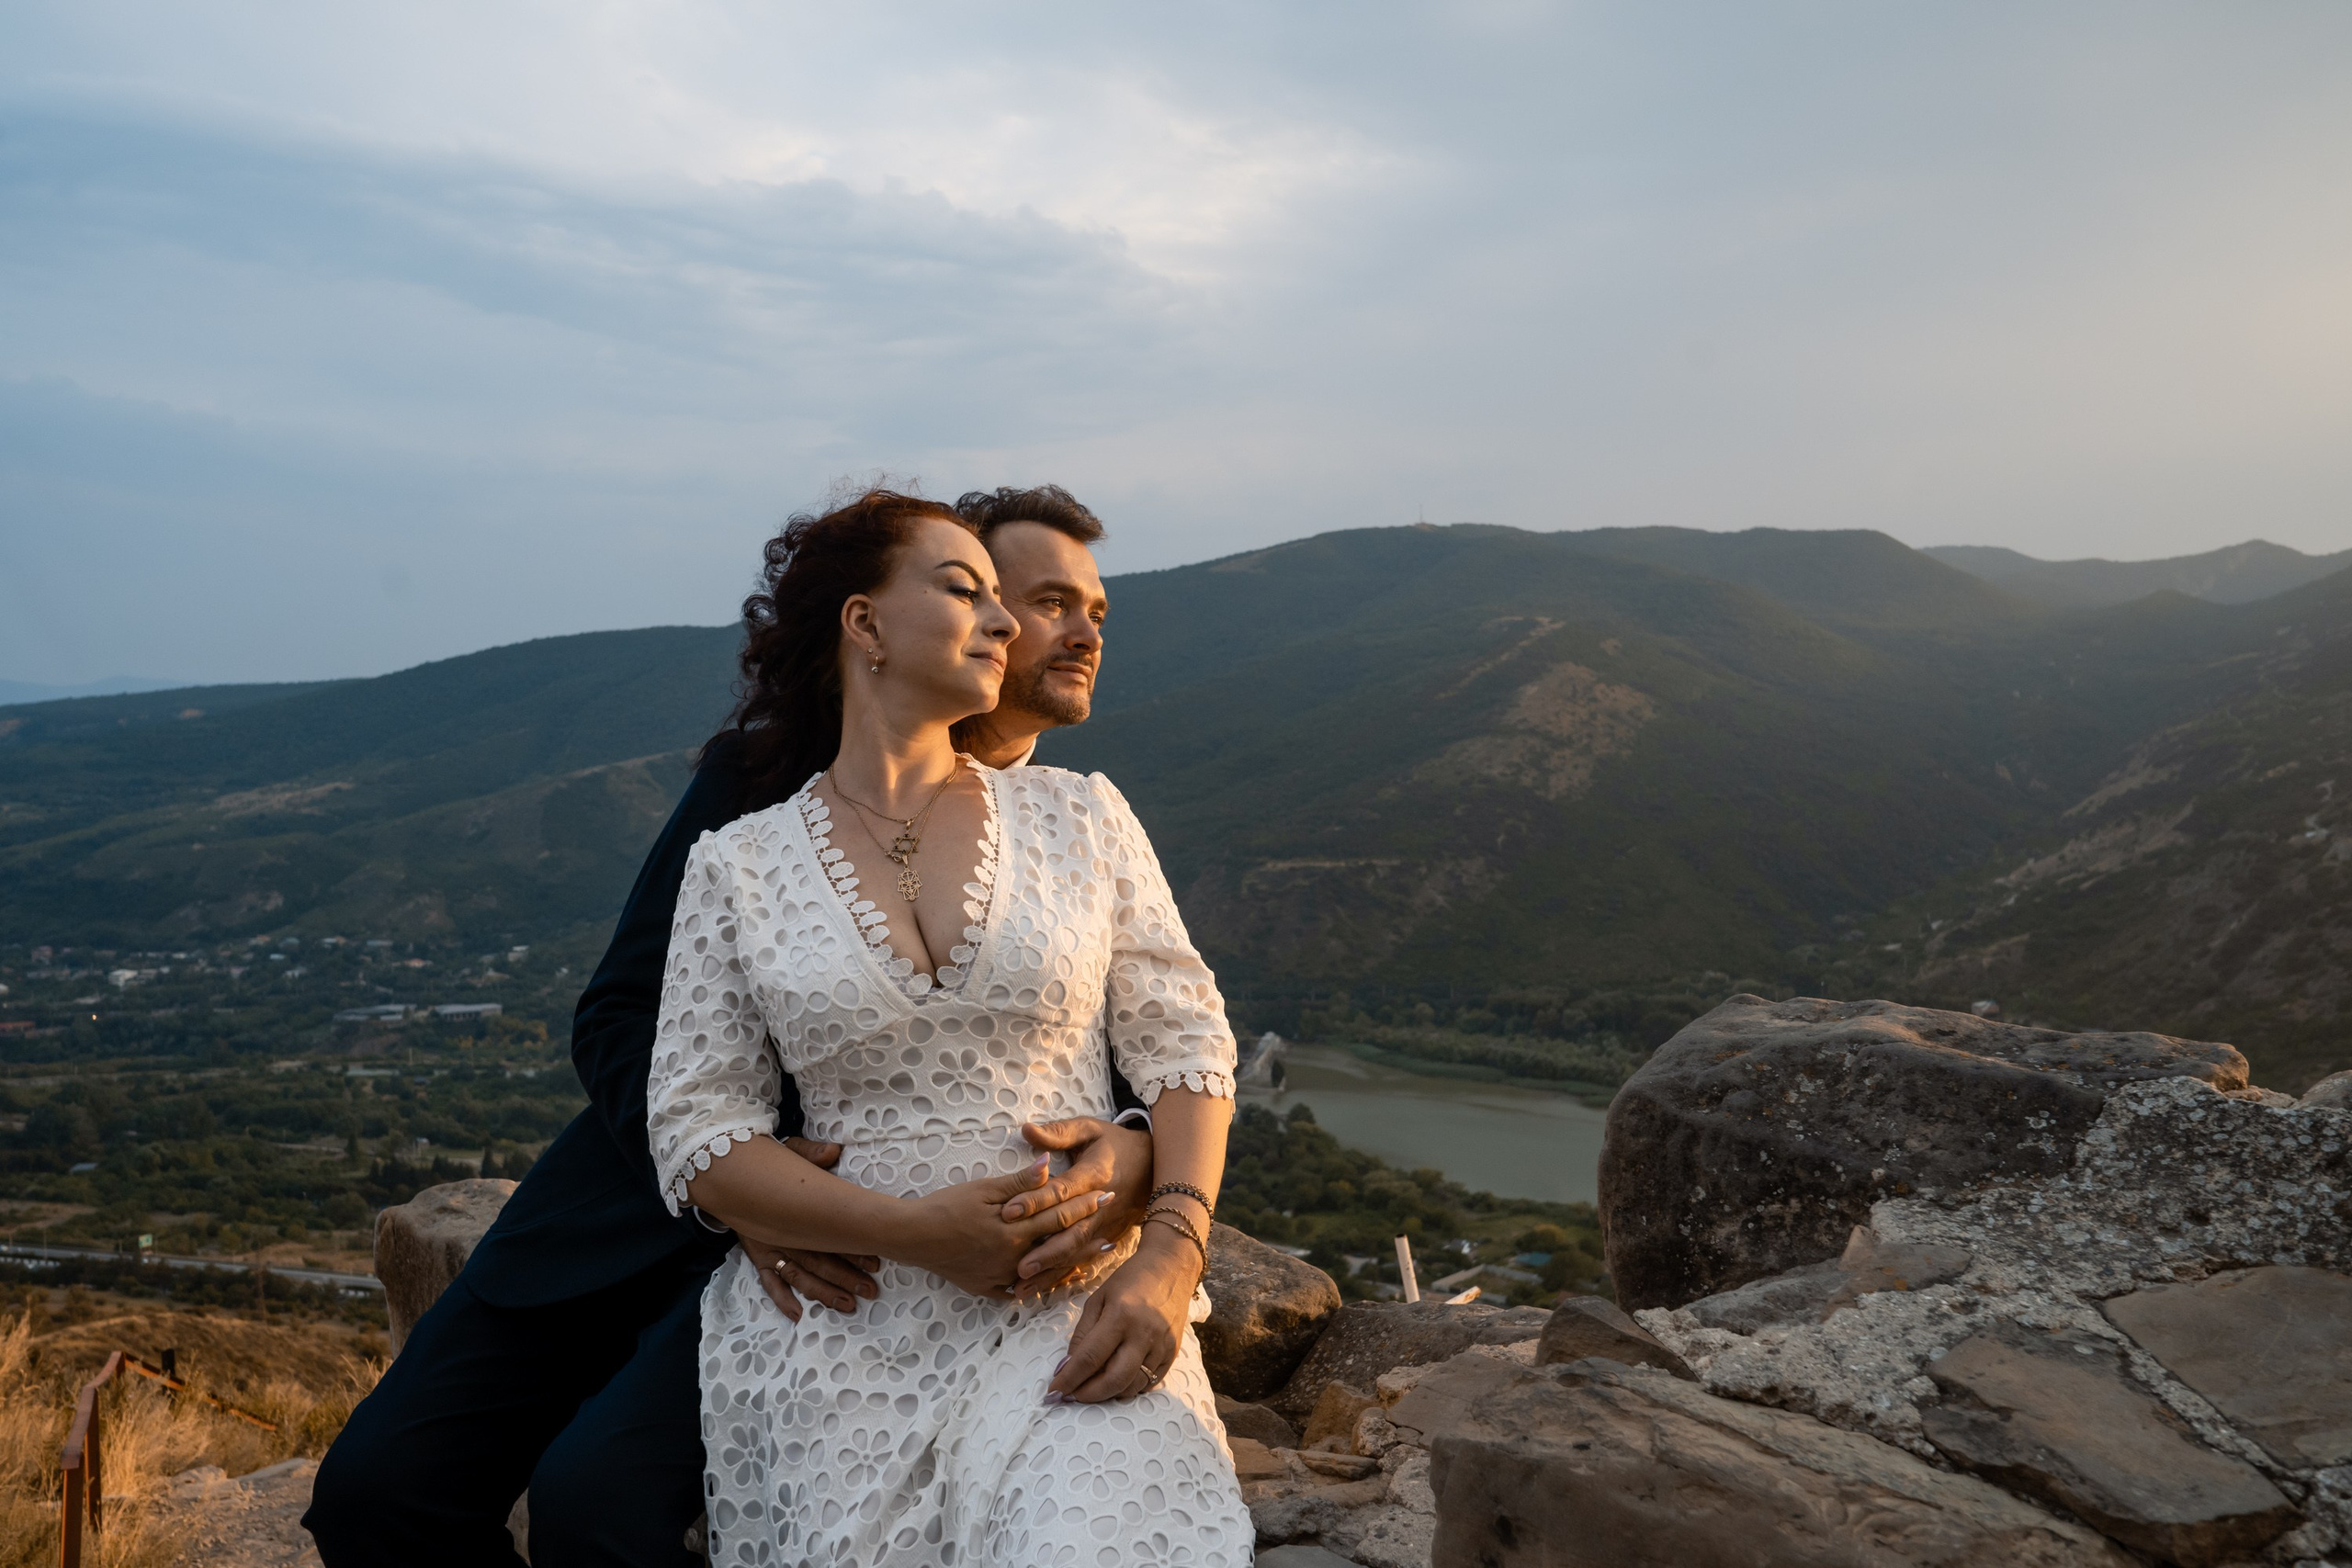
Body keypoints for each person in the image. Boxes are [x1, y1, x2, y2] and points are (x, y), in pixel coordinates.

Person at [307, 485, 1153, 1567]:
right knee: (377, 1497)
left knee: (600, 1508)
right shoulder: (762, 782)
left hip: (853, 1286)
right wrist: (729, 1177)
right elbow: (618, 1012)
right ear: (887, 623)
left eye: (1087, 608)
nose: (1063, 629)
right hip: (625, 1217)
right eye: (1026, 597)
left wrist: (1132, 1156)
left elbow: (1152, 1051)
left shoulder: (1074, 822)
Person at [650, 486, 1248, 1565]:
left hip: (1071, 1311)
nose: (1007, 621)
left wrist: (1169, 1252)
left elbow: (1187, 1045)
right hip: (847, 1327)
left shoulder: (1081, 814)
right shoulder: (735, 865)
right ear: (864, 624)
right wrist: (914, 1232)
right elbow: (696, 1125)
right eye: (966, 591)